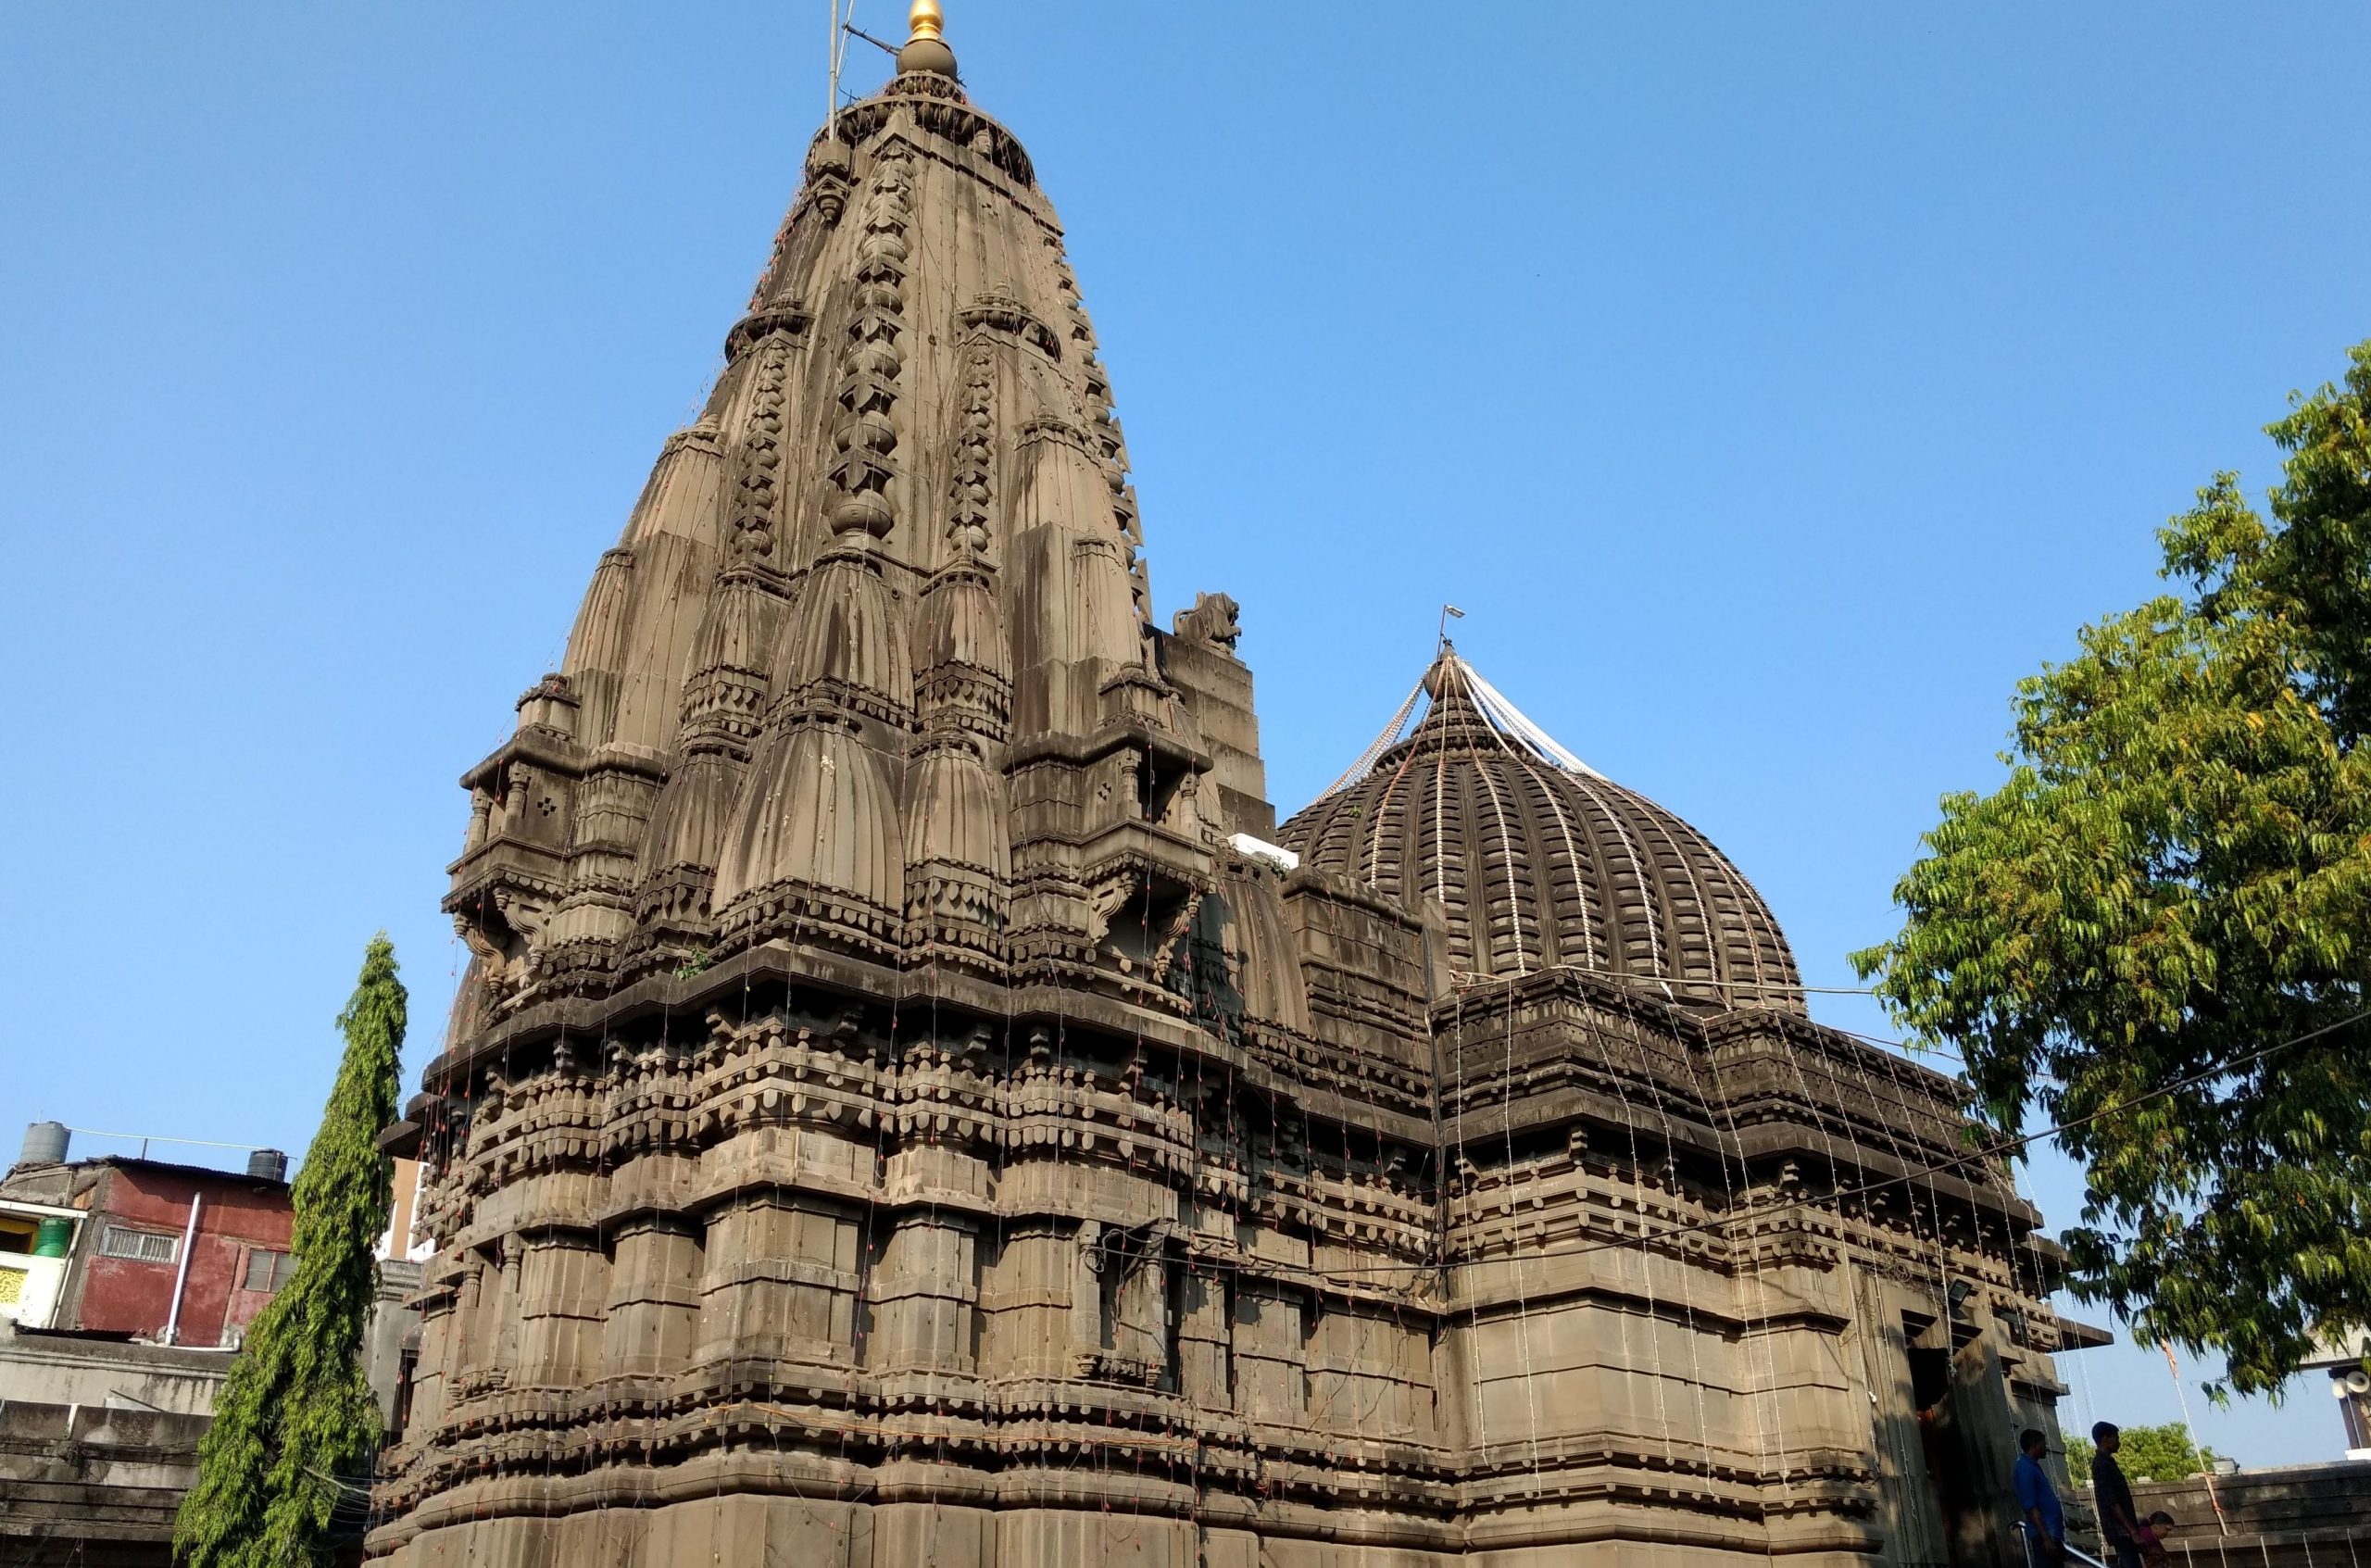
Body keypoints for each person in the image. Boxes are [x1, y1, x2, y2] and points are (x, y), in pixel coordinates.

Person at [2091, 1421, 2145, 1568]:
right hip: (2121, 1530)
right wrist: (2132, 1530)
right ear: (2105, 1438)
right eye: (2116, 1437)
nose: (2118, 1442)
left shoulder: (2106, 1462)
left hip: (2122, 1529)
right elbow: (2111, 1501)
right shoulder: (2102, 1464)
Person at [2013, 1427, 2065, 1563]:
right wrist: (2045, 1538)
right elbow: (2031, 1507)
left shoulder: (2033, 1466)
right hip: (2045, 1534)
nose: (2046, 1447)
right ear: (2034, 1445)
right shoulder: (2025, 1468)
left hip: (2052, 1531)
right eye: (2043, 1444)